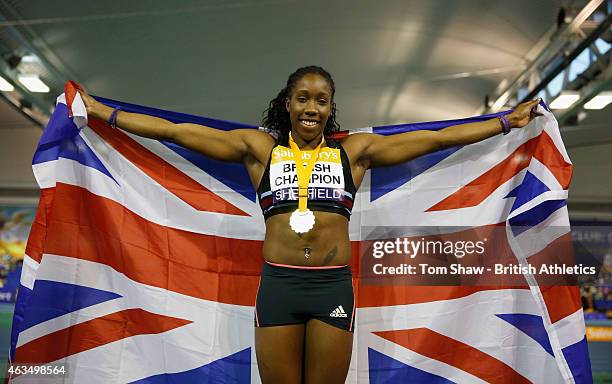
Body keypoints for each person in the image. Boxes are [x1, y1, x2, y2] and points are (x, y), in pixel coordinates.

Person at [78, 65, 542, 383]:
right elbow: (177, 133)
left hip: (331, 289)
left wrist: (505, 123)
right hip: (279, 286)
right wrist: (104, 114)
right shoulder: (261, 150)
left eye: (322, 100)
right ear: (287, 103)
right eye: (303, 98)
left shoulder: (354, 153)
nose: (312, 108)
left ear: (330, 107)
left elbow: (435, 138)